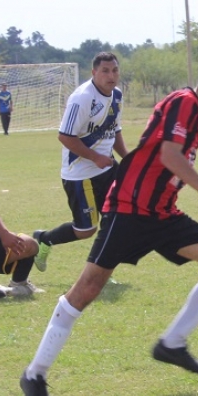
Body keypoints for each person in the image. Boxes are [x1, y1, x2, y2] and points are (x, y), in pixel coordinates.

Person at [19, 52, 198, 396]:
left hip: (161, 213)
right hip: (128, 209)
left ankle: (172, 343)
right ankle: (34, 374)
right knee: (86, 290)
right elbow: (169, 155)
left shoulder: (197, 114)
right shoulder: (185, 103)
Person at [32, 52, 128, 272]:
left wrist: (127, 158)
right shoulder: (82, 98)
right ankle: (45, 239)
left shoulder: (117, 96)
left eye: (114, 70)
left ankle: (100, 270)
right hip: (80, 174)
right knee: (86, 230)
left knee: (117, 219)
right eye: (105, 70)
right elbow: (65, 136)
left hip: (108, 169)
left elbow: (115, 130)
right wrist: (95, 157)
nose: (111, 75)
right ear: (94, 72)